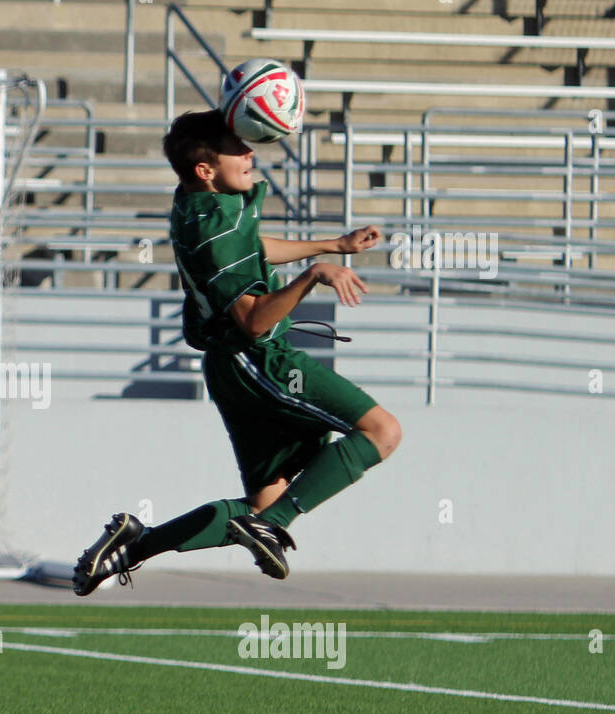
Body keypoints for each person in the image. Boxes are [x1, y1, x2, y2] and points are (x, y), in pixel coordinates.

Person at [73, 109, 401, 594]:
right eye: (237, 147)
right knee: (381, 431)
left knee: (264, 505)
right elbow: (253, 320)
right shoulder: (216, 225)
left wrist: (334, 244)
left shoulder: (200, 205)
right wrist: (314, 274)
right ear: (206, 170)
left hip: (230, 367)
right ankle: (271, 526)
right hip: (256, 359)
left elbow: (250, 247)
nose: (250, 152)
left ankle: (135, 544)